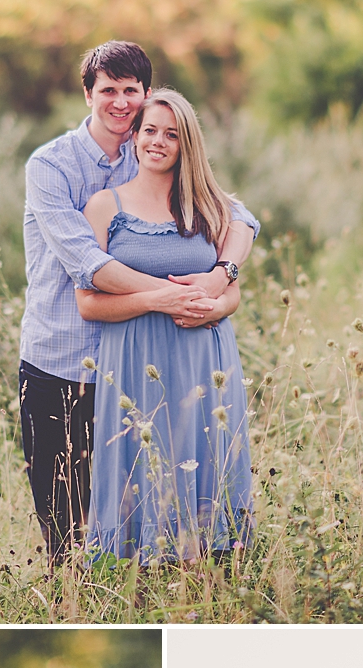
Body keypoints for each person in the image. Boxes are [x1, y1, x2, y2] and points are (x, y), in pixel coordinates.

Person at [18, 40, 256, 563]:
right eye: (108, 91)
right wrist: (174, 295)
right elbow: (89, 266)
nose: (120, 103)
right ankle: (76, 610)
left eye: (131, 91)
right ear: (88, 95)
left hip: (136, 366)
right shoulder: (51, 167)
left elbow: (238, 216)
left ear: (145, 93)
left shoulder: (151, 144)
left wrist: (220, 281)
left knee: (143, 500)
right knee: (65, 522)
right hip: (62, 359)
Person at [77, 88, 255, 563]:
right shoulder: (105, 207)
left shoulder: (209, 207)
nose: (158, 142)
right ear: (134, 137)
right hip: (135, 359)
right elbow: (89, 304)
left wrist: (216, 302)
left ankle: (210, 570)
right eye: (150, 130)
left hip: (204, 358)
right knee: (142, 461)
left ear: (186, 144)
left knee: (203, 458)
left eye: (171, 135)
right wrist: (158, 299)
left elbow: (232, 291)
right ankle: (136, 577)